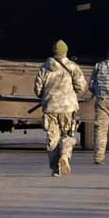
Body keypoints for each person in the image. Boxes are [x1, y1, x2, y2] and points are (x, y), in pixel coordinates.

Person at [34, 40, 86, 177]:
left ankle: (55, 169)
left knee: (52, 138)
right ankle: (65, 155)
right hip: (68, 108)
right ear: (65, 52)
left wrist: (45, 95)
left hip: (50, 107)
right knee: (68, 135)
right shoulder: (73, 67)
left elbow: (37, 89)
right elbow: (81, 87)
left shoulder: (45, 68)